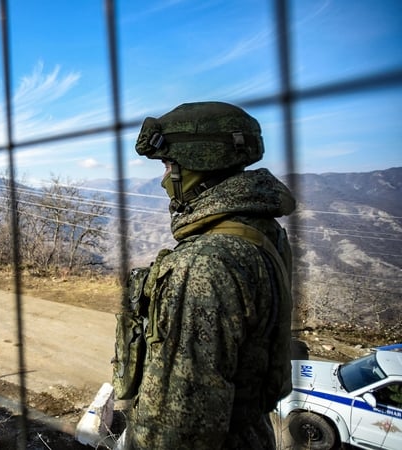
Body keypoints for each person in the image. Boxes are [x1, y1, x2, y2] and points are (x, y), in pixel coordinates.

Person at [120, 102, 296, 449]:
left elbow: (179, 427)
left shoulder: (203, 264)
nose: (161, 180)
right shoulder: (260, 232)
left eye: (168, 165)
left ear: (199, 165)